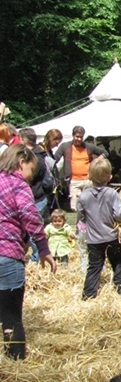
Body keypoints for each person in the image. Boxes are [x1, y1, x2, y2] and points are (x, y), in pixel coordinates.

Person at [0, 145, 56, 359]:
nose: (30, 178)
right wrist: (43, 248)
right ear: (21, 162)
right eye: (31, 171)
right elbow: (30, 216)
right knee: (11, 315)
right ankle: (15, 361)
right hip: (7, 254)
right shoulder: (18, 185)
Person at [77, 158, 121, 299]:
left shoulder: (84, 195)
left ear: (89, 176)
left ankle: (88, 294)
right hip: (111, 236)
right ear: (109, 177)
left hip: (93, 239)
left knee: (94, 266)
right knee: (118, 261)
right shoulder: (112, 194)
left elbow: (81, 215)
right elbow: (118, 214)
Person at [53, 125, 108, 211]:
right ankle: (79, 224)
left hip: (88, 180)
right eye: (77, 136)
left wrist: (96, 162)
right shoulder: (65, 147)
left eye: (81, 137)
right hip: (74, 181)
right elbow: (54, 160)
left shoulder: (88, 147)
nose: (79, 139)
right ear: (73, 135)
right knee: (76, 208)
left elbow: (105, 153)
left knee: (90, 206)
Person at [19, 128, 52, 262]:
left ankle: (37, 258)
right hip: (37, 197)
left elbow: (30, 178)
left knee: (32, 230)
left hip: (37, 197)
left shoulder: (35, 157)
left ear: (23, 139)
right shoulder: (36, 154)